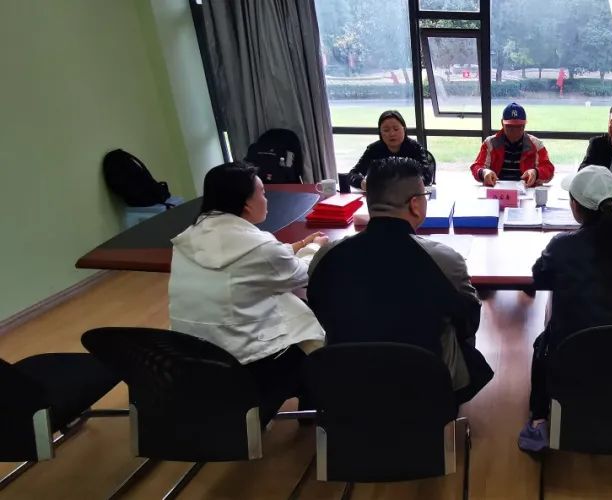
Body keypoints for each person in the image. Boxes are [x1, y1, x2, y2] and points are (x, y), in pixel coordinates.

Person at [308, 157, 493, 404]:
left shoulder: (326, 256)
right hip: (424, 384)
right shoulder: (444, 261)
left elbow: (320, 309)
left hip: (347, 381)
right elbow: (468, 319)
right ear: (415, 204)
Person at [168, 162, 327, 417]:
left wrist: (297, 246)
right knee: (314, 322)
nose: (266, 199)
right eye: (262, 192)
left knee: (287, 306)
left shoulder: (189, 238)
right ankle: (312, 406)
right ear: (246, 204)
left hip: (192, 357)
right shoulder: (258, 247)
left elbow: (262, 261)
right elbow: (301, 274)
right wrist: (315, 247)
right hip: (249, 364)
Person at [518, 165, 612, 451]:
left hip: (569, 349)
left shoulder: (562, 244)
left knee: (542, 344)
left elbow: (539, 277)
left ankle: (539, 419)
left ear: (575, 206)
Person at [470, 102, 555, 187]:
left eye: (519, 126)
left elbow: (549, 169)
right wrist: (484, 172)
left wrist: (536, 172)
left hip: (527, 190)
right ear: (502, 123)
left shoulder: (536, 144)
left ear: (525, 125)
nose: (515, 131)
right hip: (497, 190)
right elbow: (477, 166)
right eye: (509, 126)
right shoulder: (490, 143)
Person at [348, 110, 435, 189]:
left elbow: (427, 177)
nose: (392, 134)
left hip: (408, 194)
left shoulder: (415, 148)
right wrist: (362, 183)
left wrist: (404, 184)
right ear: (380, 133)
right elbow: (352, 174)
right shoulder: (373, 149)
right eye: (386, 130)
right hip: (381, 195)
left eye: (396, 129)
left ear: (404, 129)